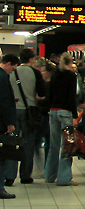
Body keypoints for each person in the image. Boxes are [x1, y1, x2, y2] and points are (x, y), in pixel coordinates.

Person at [5, 48, 45, 186]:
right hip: (29, 112)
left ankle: (9, 176)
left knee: (11, 142)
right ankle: (25, 175)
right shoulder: (35, 73)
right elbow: (42, 93)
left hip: (13, 110)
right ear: (32, 59)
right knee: (27, 143)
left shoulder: (11, 72)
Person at [45, 52, 79, 187]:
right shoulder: (71, 76)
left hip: (53, 111)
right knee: (67, 146)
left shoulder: (55, 75)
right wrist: (75, 115)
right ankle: (64, 178)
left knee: (53, 145)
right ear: (70, 63)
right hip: (65, 112)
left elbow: (50, 94)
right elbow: (71, 97)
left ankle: (49, 175)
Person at [0, 54, 19, 199]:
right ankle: (0, 188)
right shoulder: (2, 77)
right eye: (13, 67)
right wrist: (10, 123)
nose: (13, 71)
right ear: (8, 63)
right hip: (1, 122)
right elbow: (4, 103)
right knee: (2, 156)